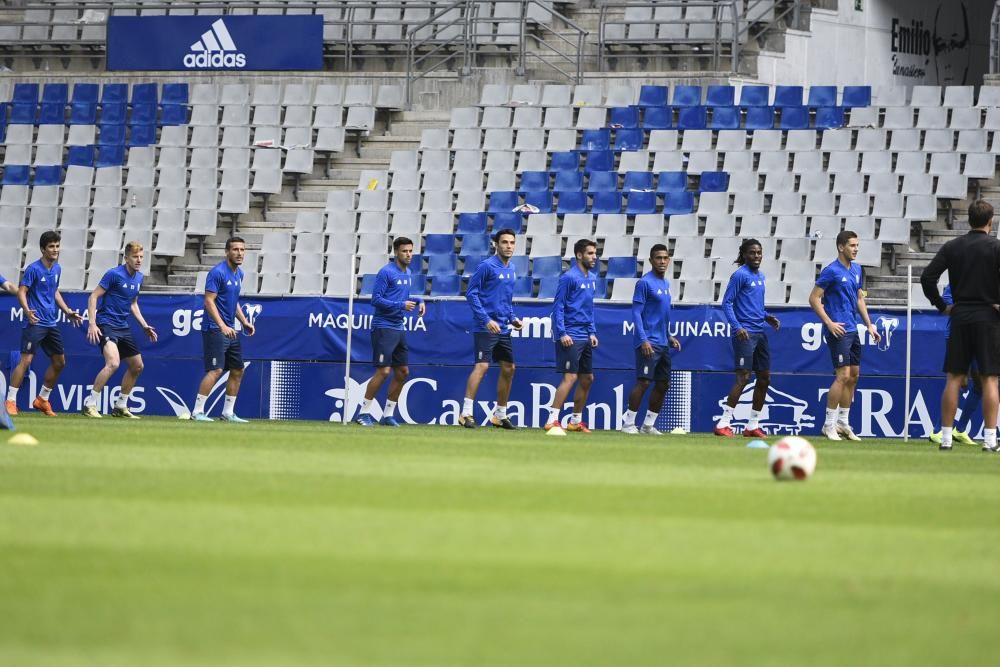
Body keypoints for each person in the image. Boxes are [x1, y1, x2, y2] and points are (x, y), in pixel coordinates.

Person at [920, 199, 1000, 452]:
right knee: (989, 379)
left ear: (969, 220)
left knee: (954, 378)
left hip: (961, 315)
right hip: (988, 316)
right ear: (991, 221)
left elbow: (927, 277)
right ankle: (989, 440)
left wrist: (942, 306)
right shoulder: (996, 247)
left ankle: (945, 438)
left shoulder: (953, 246)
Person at [809, 230, 881, 441]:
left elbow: (859, 299)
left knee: (854, 375)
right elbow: (814, 299)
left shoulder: (857, 269)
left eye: (857, 245)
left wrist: (869, 324)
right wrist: (829, 322)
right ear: (841, 247)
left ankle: (843, 422)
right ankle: (828, 424)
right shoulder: (831, 271)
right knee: (842, 376)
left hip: (853, 328)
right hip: (838, 330)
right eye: (852, 245)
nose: (856, 249)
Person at [5, 230, 84, 416]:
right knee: (27, 360)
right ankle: (10, 401)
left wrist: (67, 311)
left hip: (51, 323)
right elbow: (22, 291)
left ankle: (42, 399)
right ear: (43, 249)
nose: (55, 250)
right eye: (51, 246)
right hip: (36, 322)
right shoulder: (33, 269)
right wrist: (27, 310)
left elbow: (54, 292)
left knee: (59, 362)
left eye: (57, 246)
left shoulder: (57, 269)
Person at [81, 241, 157, 419]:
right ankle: (90, 404)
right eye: (135, 257)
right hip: (106, 324)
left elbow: (133, 303)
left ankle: (120, 406)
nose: (139, 260)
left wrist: (144, 324)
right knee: (113, 363)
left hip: (123, 327)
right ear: (126, 258)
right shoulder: (114, 274)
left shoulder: (139, 277)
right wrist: (92, 323)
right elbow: (93, 296)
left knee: (137, 366)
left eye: (141, 257)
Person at [714, 239, 781, 438]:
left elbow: (752, 304)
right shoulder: (740, 275)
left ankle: (752, 425)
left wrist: (765, 316)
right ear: (744, 255)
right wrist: (737, 327)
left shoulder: (761, 276)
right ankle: (723, 423)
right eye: (752, 253)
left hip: (759, 333)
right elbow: (727, 303)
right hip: (745, 335)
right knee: (743, 378)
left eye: (759, 252)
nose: (757, 256)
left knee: (764, 378)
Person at [355, 237, 425, 427]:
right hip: (384, 326)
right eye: (405, 251)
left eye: (411, 251)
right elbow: (375, 300)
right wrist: (400, 305)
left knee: (402, 372)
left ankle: (387, 415)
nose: (409, 254)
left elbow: (402, 295)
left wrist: (419, 300)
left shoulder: (408, 272)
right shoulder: (386, 272)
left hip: (399, 327)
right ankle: (363, 413)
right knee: (384, 371)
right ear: (396, 252)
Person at [460, 228, 523, 429]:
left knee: (509, 368)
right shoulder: (486, 266)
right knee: (483, 366)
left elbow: (506, 299)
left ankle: (499, 415)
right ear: (496, 244)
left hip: (503, 328)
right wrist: (486, 319)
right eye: (504, 242)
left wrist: (512, 318)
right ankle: (465, 414)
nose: (509, 246)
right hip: (485, 326)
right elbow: (471, 294)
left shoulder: (512, 268)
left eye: (512, 242)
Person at [191, 236, 256, 423]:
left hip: (231, 329)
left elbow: (233, 302)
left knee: (237, 369)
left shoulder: (239, 274)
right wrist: (222, 325)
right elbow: (208, 301)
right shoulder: (217, 273)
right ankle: (197, 412)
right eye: (235, 249)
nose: (239, 253)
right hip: (215, 328)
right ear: (227, 252)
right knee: (216, 370)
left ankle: (228, 413)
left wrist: (244, 322)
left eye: (242, 250)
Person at [622, 244, 681, 435]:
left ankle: (648, 425)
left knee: (663, 384)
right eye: (658, 258)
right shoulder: (644, 283)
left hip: (662, 342)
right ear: (651, 260)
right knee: (644, 382)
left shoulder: (665, 284)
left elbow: (659, 315)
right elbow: (637, 313)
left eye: (665, 258)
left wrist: (669, 336)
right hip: (648, 342)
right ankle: (628, 424)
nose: (662, 261)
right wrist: (644, 339)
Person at [543, 239, 600, 433]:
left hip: (585, 334)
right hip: (570, 334)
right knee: (570, 377)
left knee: (588, 378)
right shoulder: (568, 278)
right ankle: (552, 419)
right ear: (579, 255)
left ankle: (575, 421)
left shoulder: (592, 278)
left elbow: (589, 308)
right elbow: (558, 306)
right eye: (590, 253)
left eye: (595, 253)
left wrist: (592, 331)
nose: (594, 257)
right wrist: (562, 333)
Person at [928, 285, 981, 446]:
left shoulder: (986, 275)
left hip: (981, 337)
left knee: (981, 384)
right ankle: (937, 431)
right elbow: (946, 299)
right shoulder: (961, 273)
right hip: (957, 335)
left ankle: (960, 429)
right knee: (957, 381)